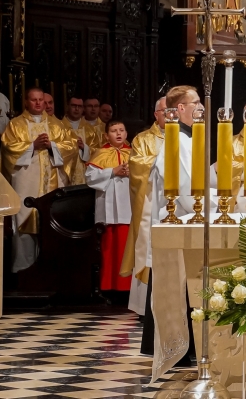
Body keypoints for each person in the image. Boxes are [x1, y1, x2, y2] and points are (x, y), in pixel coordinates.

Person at [134, 86, 201, 358]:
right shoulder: (178, 142)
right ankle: (176, 348)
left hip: (186, 220)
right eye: (195, 103)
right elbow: (186, 189)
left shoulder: (189, 139)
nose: (201, 108)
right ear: (180, 108)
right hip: (179, 221)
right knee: (177, 286)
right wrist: (208, 208)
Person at [0, 87, 78, 272]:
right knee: (24, 223)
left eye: (41, 100)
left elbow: (71, 147)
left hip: (52, 183)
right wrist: (32, 146)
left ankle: (50, 271)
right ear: (26, 102)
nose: (38, 103)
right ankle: (23, 271)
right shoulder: (16, 124)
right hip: (26, 183)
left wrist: (52, 146)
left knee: (51, 226)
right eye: (33, 100)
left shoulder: (56, 125)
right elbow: (8, 149)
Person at [121, 96, 166, 316]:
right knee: (146, 245)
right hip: (151, 201)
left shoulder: (187, 137)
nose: (170, 115)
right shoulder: (143, 139)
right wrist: (163, 160)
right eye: (165, 111)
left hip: (178, 201)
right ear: (156, 114)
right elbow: (137, 166)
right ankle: (144, 306)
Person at [85, 119, 132, 293]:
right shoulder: (100, 153)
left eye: (121, 130)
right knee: (110, 247)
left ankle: (127, 287)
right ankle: (108, 285)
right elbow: (90, 177)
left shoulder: (134, 153)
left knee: (127, 246)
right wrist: (112, 171)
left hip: (130, 206)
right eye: (114, 131)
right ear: (106, 135)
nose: (118, 133)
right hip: (109, 206)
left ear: (126, 134)